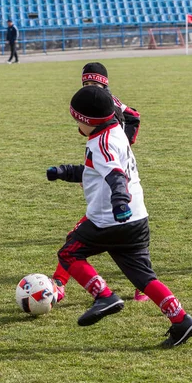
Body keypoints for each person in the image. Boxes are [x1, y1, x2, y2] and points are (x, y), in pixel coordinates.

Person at [46, 85, 192, 347]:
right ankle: (181, 320)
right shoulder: (115, 132)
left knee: (69, 253)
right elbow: (96, 172)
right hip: (137, 221)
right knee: (143, 277)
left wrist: (119, 202)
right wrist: (65, 172)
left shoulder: (100, 143)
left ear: (88, 121)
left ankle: (104, 296)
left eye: (77, 121)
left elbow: (116, 176)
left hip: (110, 220)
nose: (76, 126)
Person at [51, 62, 148, 302]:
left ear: (105, 84)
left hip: (116, 178)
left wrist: (126, 144)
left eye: (96, 83)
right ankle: (143, 286)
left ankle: (59, 283)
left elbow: (134, 116)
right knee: (131, 241)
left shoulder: (112, 103)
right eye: (87, 83)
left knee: (78, 240)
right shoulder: (90, 104)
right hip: (104, 171)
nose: (91, 86)